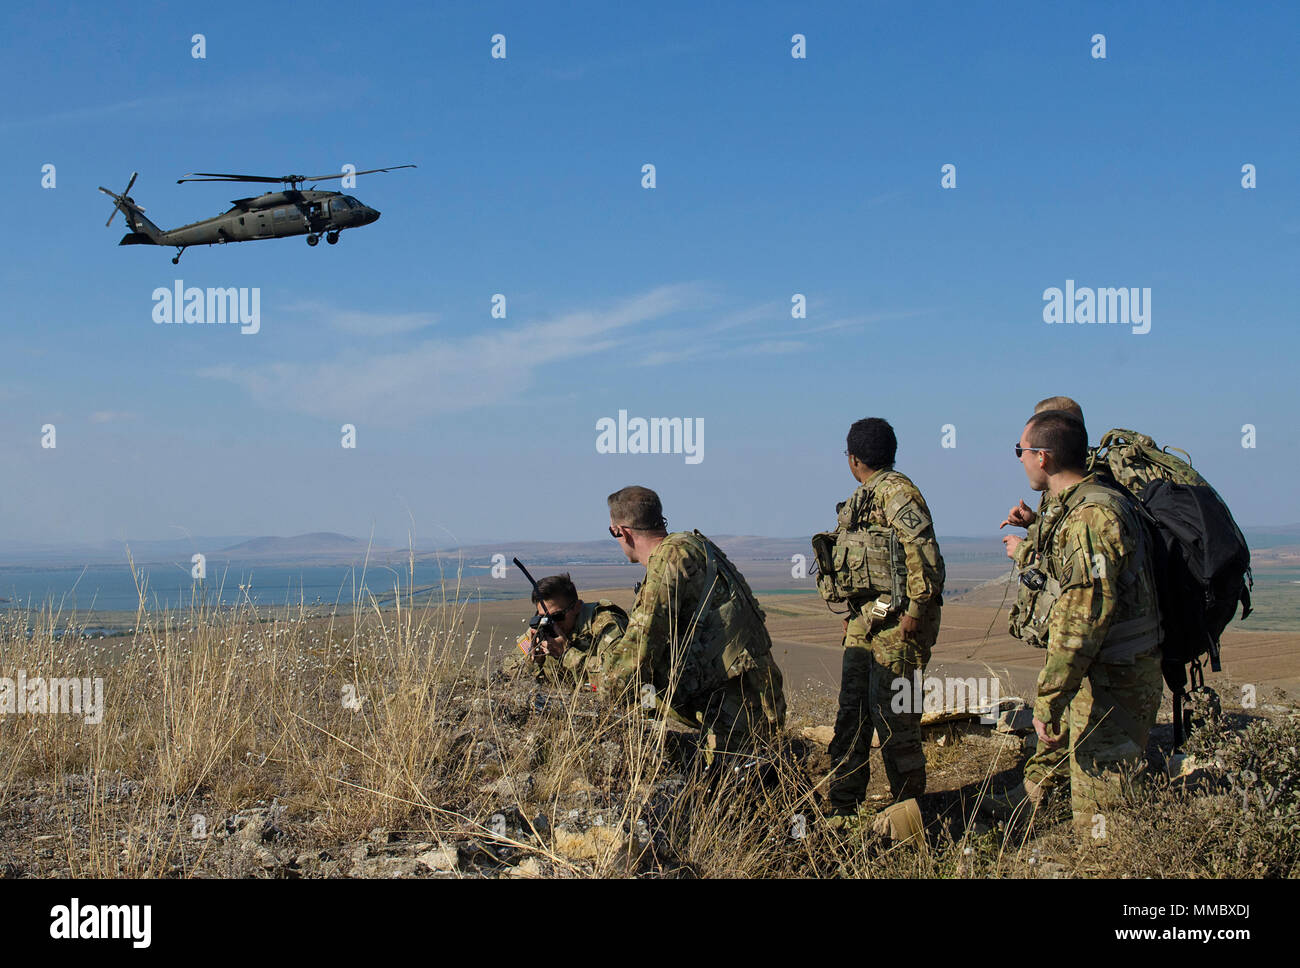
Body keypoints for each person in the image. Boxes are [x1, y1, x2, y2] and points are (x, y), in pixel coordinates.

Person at [1012, 409, 1163, 834]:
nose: (1020, 459)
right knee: (1099, 800)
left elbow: (1082, 619)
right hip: (1118, 671)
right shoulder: (1092, 502)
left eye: (1021, 451)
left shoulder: (1089, 517)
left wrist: (1049, 698)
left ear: (1042, 457)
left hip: (1117, 680)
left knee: (1106, 825)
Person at [598, 485, 786, 766]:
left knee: (732, 796)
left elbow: (638, 653)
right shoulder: (693, 546)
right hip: (757, 693)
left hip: (736, 710)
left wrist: (601, 691)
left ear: (621, 532)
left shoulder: (668, 561)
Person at [823, 418, 945, 815]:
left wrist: (915, 611)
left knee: (896, 718)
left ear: (853, 459)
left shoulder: (898, 495)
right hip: (869, 618)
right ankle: (843, 807)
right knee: (851, 714)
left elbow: (923, 554)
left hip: (900, 622)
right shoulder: (864, 497)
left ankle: (908, 814)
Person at [999, 395, 1086, 804]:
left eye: (1025, 448)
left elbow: (1072, 575)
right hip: (1073, 634)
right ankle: (1044, 789)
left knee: (1063, 713)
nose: (1022, 457)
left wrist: (1024, 553)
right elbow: (1061, 545)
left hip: (1083, 638)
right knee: (1066, 715)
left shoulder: (1089, 504)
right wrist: (1034, 524)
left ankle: (1037, 795)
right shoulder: (1069, 490)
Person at [503, 573, 628, 687]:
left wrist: (567, 653)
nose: (552, 623)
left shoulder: (604, 623)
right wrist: (534, 661)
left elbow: (618, 677)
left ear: (577, 607)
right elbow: (506, 672)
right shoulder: (542, 629)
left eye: (557, 616)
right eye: (543, 617)